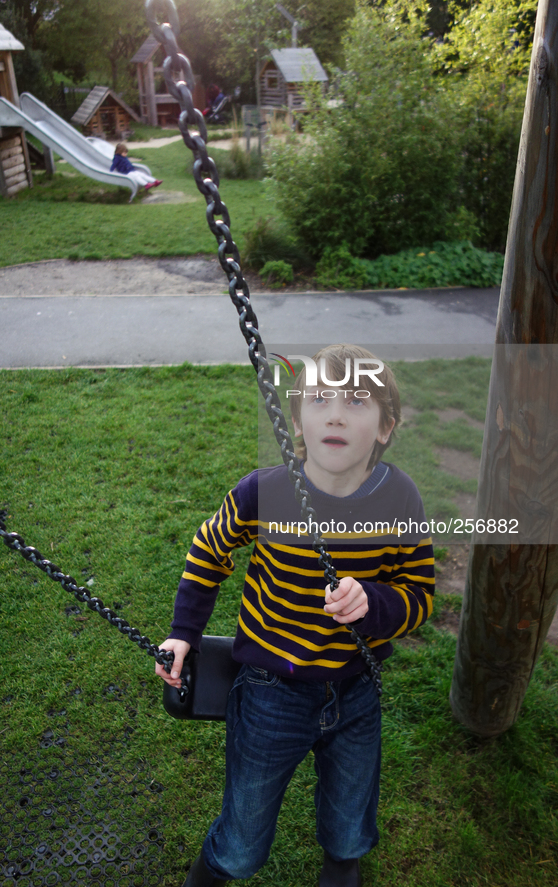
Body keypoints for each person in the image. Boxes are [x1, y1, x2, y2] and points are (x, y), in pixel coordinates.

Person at [155, 344, 435, 887]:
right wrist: (183, 633)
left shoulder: (401, 498)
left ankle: (343, 865)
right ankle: (220, 867)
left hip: (356, 690)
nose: (335, 412)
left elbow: (419, 593)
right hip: (269, 691)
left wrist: (374, 604)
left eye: (356, 400)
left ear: (385, 427)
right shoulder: (264, 491)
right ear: (299, 420)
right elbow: (208, 551)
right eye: (319, 399)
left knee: (350, 818)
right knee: (243, 838)